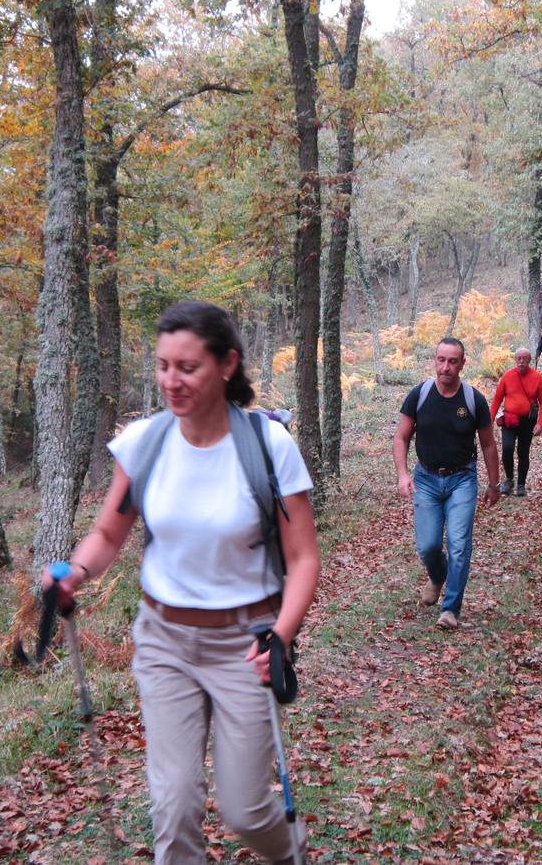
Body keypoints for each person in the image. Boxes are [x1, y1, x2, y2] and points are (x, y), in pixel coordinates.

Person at [43, 300, 319, 865]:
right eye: (164, 365)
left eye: (187, 367)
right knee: (173, 811)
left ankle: (290, 852)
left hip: (247, 644)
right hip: (164, 641)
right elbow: (108, 533)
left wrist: (282, 638)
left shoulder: (268, 447)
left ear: (226, 365)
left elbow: (304, 558)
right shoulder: (144, 444)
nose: (172, 380)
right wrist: (76, 571)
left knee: (244, 810)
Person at [393, 338, 501, 630]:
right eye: (441, 360)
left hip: (461, 479)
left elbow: (489, 444)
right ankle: (438, 576)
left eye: (453, 361)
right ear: (434, 360)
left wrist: (494, 484)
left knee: (459, 544)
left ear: (463, 364)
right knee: (428, 546)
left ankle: (450, 609)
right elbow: (401, 437)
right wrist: (403, 474)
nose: (446, 367)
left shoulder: (473, 400)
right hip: (425, 479)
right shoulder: (419, 395)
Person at [490, 348, 542, 498]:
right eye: (519, 358)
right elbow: (497, 398)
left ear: (529, 360)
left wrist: (540, 423)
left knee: (523, 452)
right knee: (507, 449)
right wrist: (489, 419)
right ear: (515, 360)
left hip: (527, 422)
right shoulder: (507, 376)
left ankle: (521, 484)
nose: (521, 361)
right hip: (509, 420)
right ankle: (509, 479)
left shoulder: (537, 377)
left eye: (524, 358)